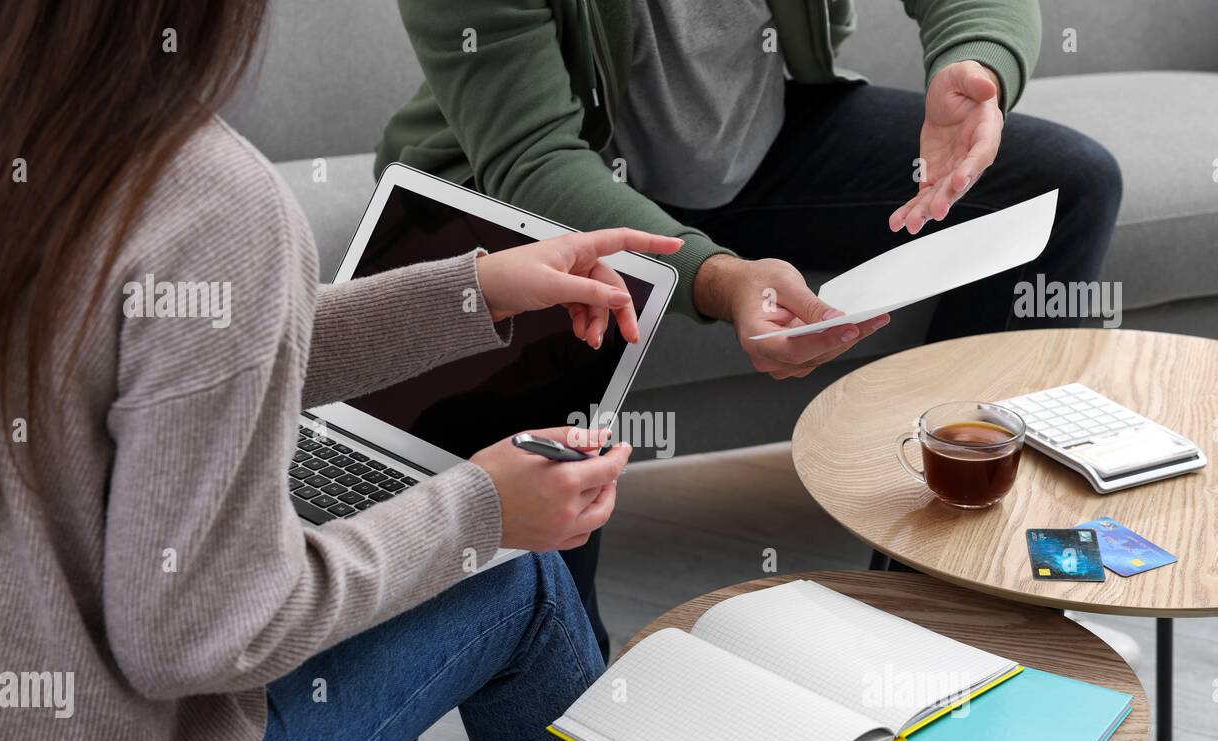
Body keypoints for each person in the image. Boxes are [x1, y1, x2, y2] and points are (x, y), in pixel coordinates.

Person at [0, 0, 789, 741]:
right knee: (521, 585)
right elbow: (197, 635)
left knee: (382, 596)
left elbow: (204, 347)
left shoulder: (16, 129)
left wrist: (474, 295)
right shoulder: (207, 198)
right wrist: (478, 514)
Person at [379, 0, 1124, 650]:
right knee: (560, 330)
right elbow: (533, 159)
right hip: (544, 185)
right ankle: (570, 706)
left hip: (761, 152)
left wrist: (976, 60)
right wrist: (720, 276)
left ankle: (932, 609)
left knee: (1071, 183)